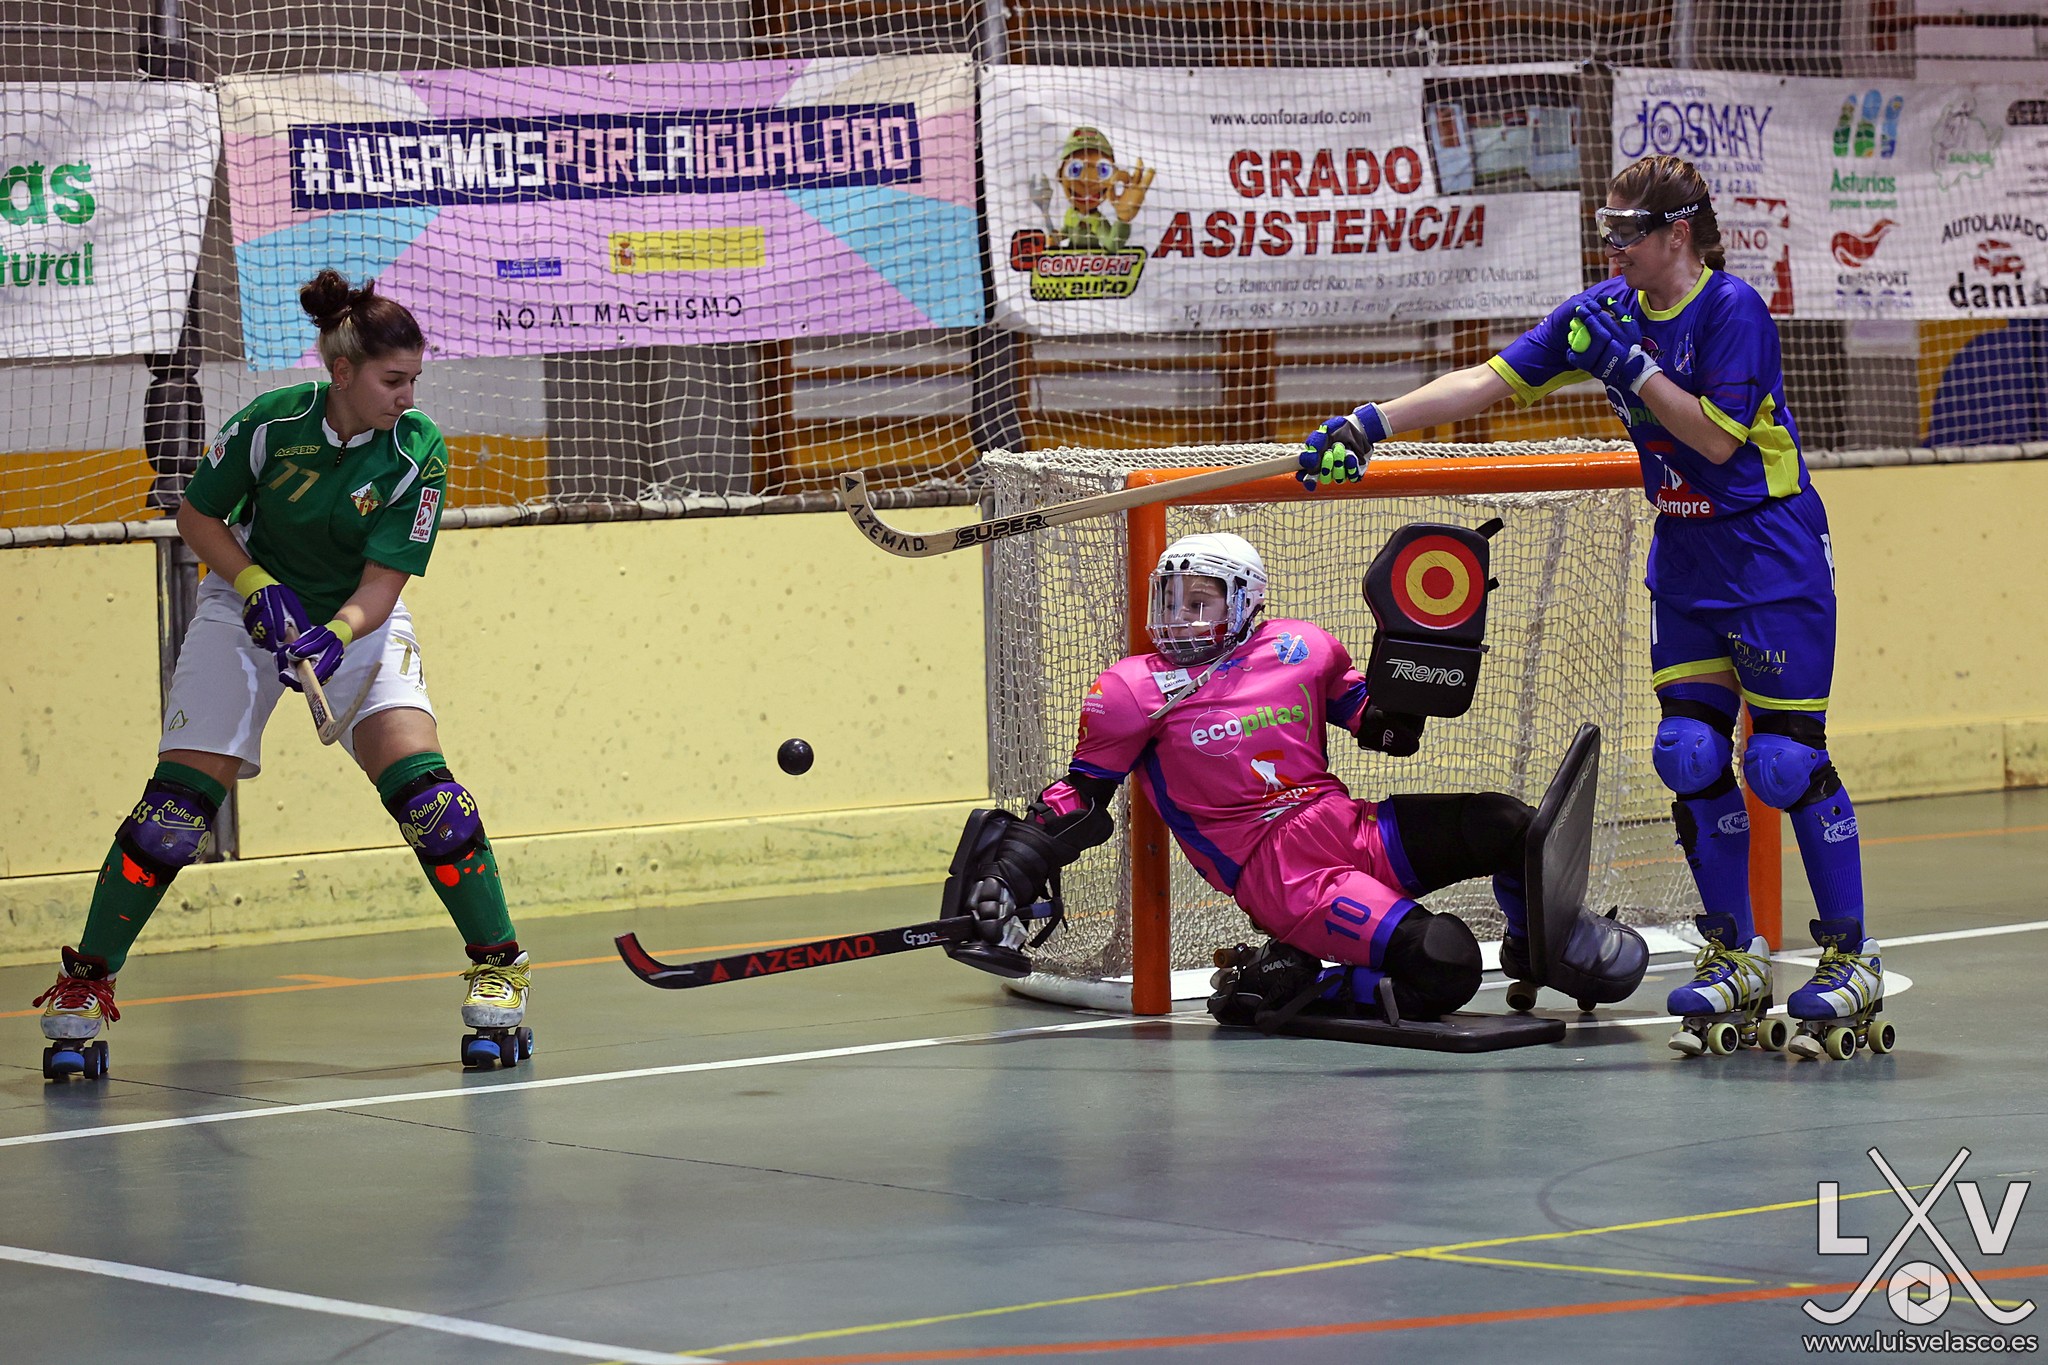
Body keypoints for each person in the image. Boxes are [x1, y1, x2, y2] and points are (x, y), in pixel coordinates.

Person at [1295, 153, 1880, 1059]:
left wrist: (1631, 367)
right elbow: (1487, 380)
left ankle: (1850, 955)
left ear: (1677, 233)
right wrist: (1369, 425)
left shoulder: (1733, 311)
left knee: (1783, 761)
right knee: (1688, 752)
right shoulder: (1601, 313)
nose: (1610, 247)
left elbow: (1715, 443)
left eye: (1625, 231)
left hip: (1771, 553)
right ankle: (1735, 951)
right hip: (1685, 554)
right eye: (1603, 228)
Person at [32, 270, 531, 1077]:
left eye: (414, 379)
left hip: (354, 623)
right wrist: (257, 584)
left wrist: (336, 633)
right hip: (244, 611)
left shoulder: (419, 451)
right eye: (393, 379)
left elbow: (383, 583)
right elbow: (197, 514)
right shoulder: (270, 424)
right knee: (170, 817)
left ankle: (499, 967)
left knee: (431, 802)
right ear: (343, 371)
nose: (408, 396)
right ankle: (86, 982)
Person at [950, 530, 1640, 1025]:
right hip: (1284, 876)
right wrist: (1007, 876)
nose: (1180, 617)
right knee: (1446, 964)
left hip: (1347, 828)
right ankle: (1283, 986)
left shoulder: (1301, 647)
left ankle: (1534, 945)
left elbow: (1386, 733)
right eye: (1171, 600)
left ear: (1244, 601)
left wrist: (1425, 650)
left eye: (1200, 601)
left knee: (1506, 823)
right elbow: (1081, 799)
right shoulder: (1133, 689)